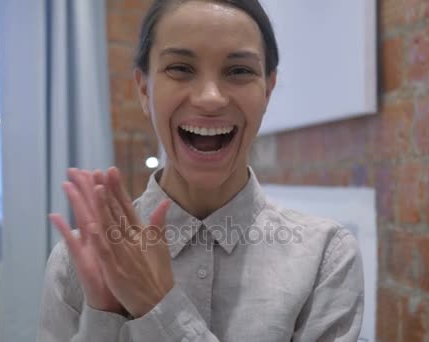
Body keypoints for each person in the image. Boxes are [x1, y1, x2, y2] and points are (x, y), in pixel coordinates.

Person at [37, 0, 364, 341]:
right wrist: (104, 318)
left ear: (267, 89)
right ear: (144, 88)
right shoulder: (76, 262)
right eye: (180, 68)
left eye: (239, 71)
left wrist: (156, 306)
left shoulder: (326, 256)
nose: (210, 98)